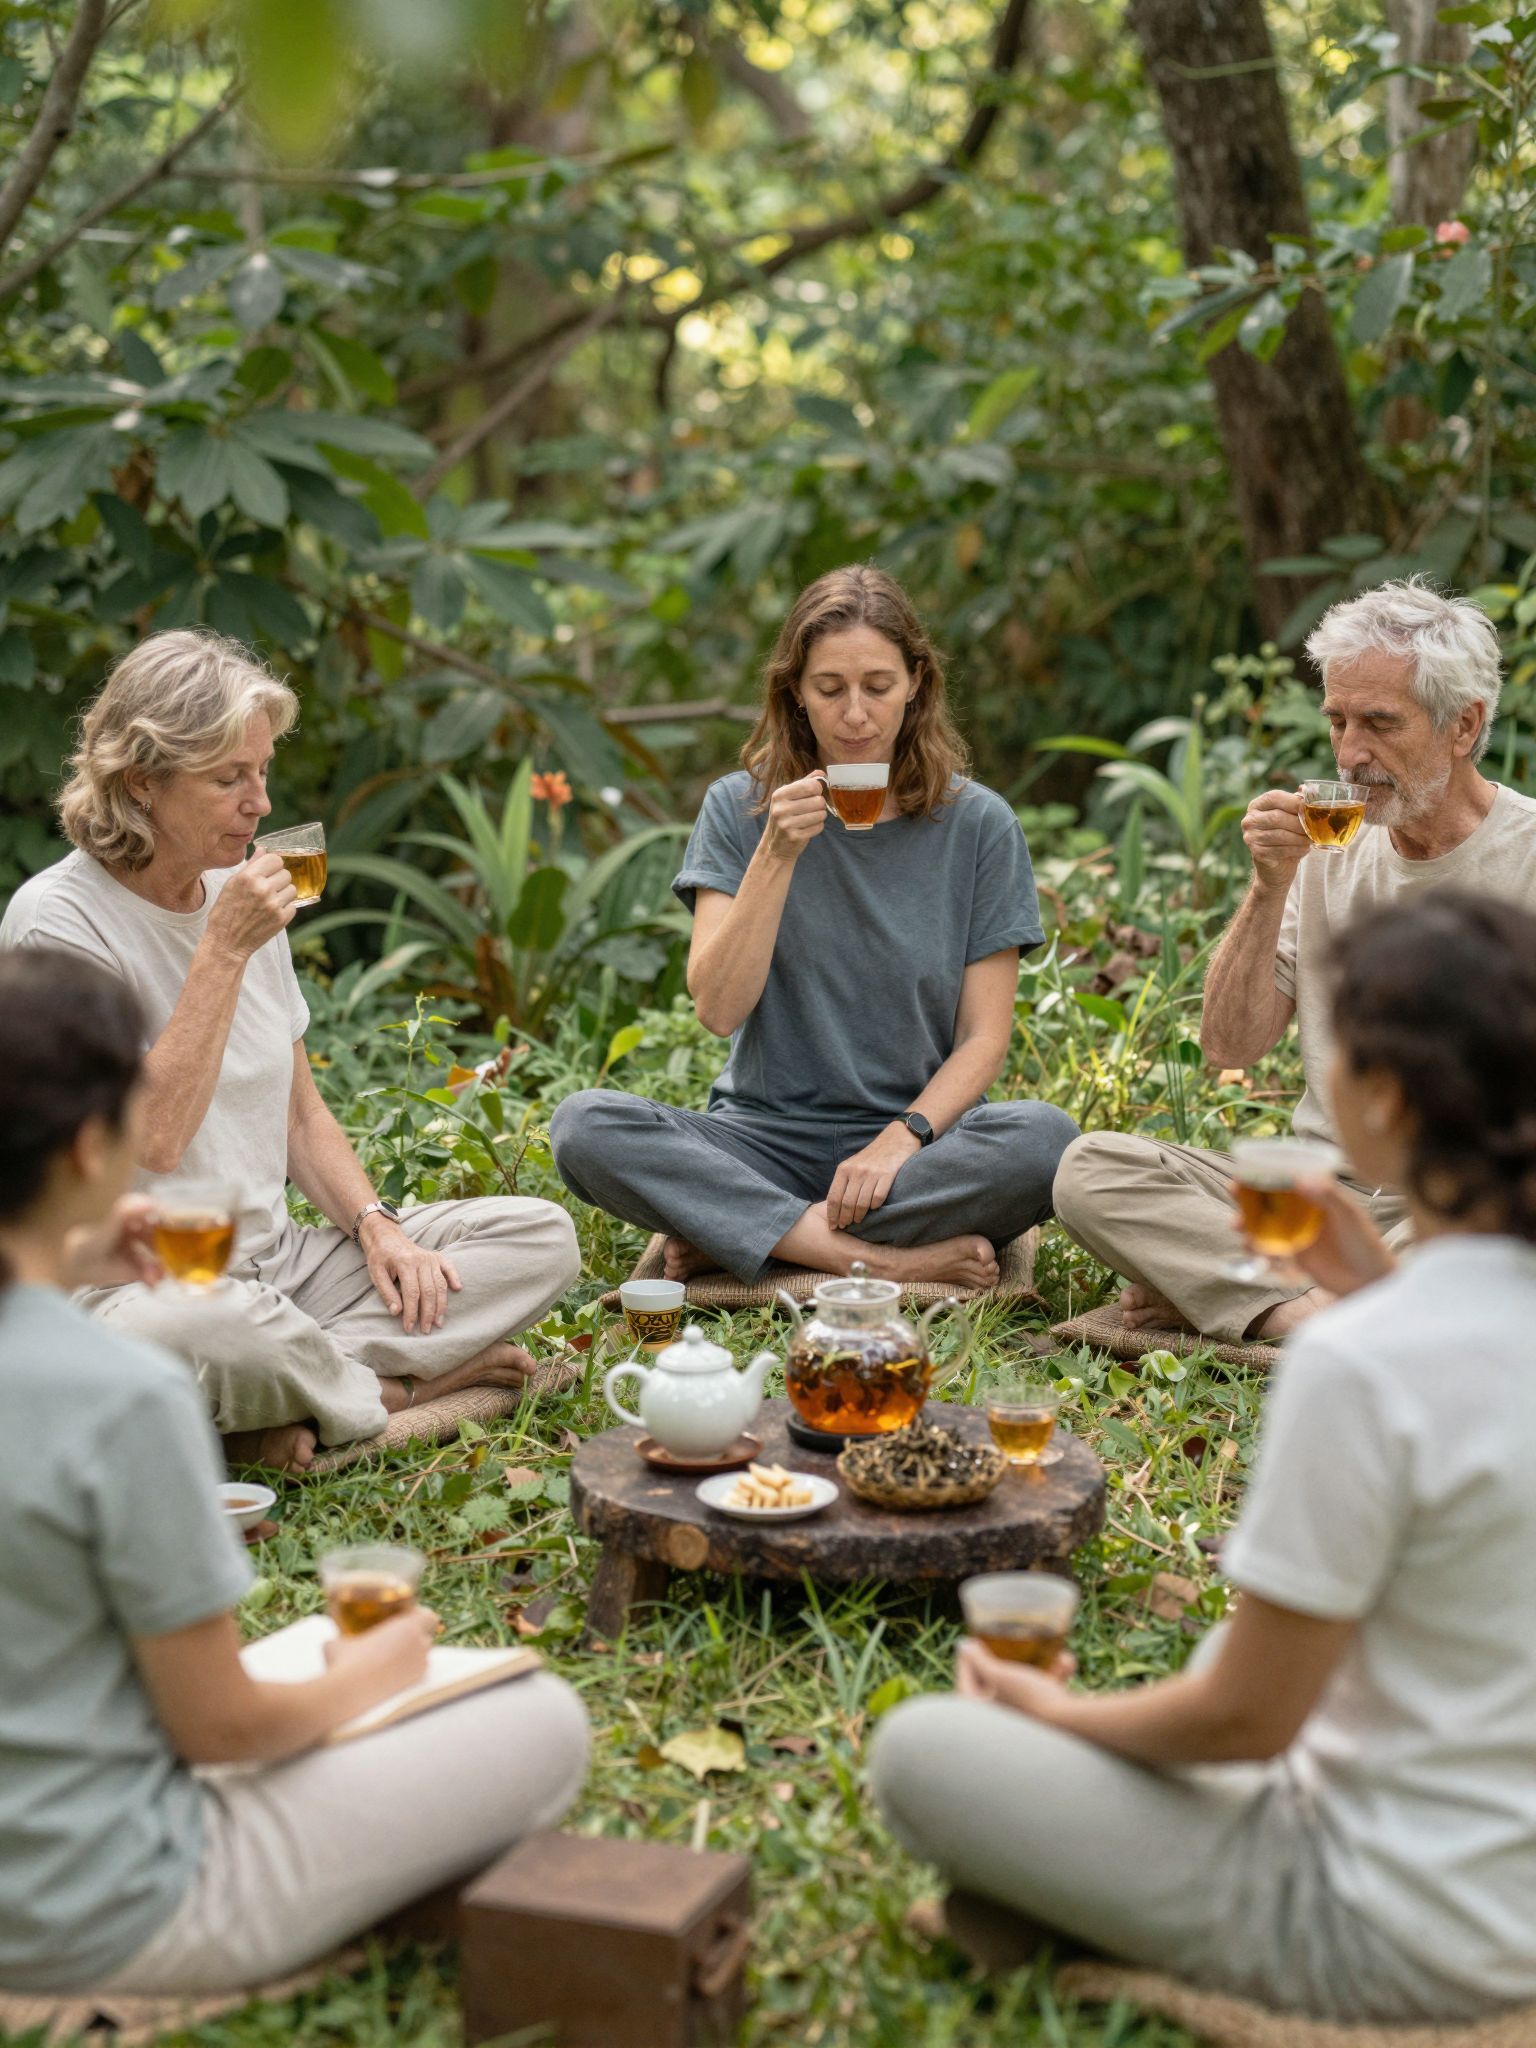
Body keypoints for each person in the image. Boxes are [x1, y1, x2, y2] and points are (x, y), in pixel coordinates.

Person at [873, 891, 1536, 2025]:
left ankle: (1098, 1910)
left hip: (1408, 1926)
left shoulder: (1358, 1365)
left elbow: (1247, 1720)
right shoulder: (1401, 1332)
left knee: (924, 1749)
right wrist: (1378, 1287)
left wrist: (1050, 1714)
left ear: (1380, 1095)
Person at [0, 946, 589, 1998]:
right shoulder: (121, 1392)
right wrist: (383, 1661)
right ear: (92, 1147)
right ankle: (389, 1402)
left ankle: (353, 1393)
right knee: (546, 1720)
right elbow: (219, 1727)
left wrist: (78, 1244)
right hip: (101, 1906)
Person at [0, 630, 579, 1469]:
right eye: (230, 777)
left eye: (262, 771)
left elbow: (300, 1116)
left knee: (539, 1237)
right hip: (140, 1286)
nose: (261, 802)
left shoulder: (242, 892)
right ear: (143, 782)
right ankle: (391, 1393)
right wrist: (222, 952)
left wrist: (377, 1227)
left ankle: (279, 1400)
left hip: (282, 1266)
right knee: (212, 1327)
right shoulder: (57, 923)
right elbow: (151, 1138)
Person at [549, 566, 1077, 1288]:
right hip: (761, 1137)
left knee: (1048, 1142)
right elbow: (716, 1008)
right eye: (830, 689)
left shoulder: (979, 825)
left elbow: (984, 1038)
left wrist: (901, 1140)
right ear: (795, 690)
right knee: (585, 1127)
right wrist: (776, 852)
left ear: (917, 681)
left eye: (878, 686)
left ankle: (748, 1232)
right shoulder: (738, 809)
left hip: (915, 1149)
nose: (855, 714)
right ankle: (863, 1255)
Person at [1053, 576, 1536, 1344]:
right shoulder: (1325, 848)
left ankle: (1257, 1300)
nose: (1351, 753)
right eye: (1338, 721)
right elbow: (1227, 1047)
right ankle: (1326, 1311)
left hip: (1457, 1199)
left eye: (1380, 723)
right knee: (1090, 1168)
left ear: (1465, 726)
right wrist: (1267, 886)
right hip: (1317, 1191)